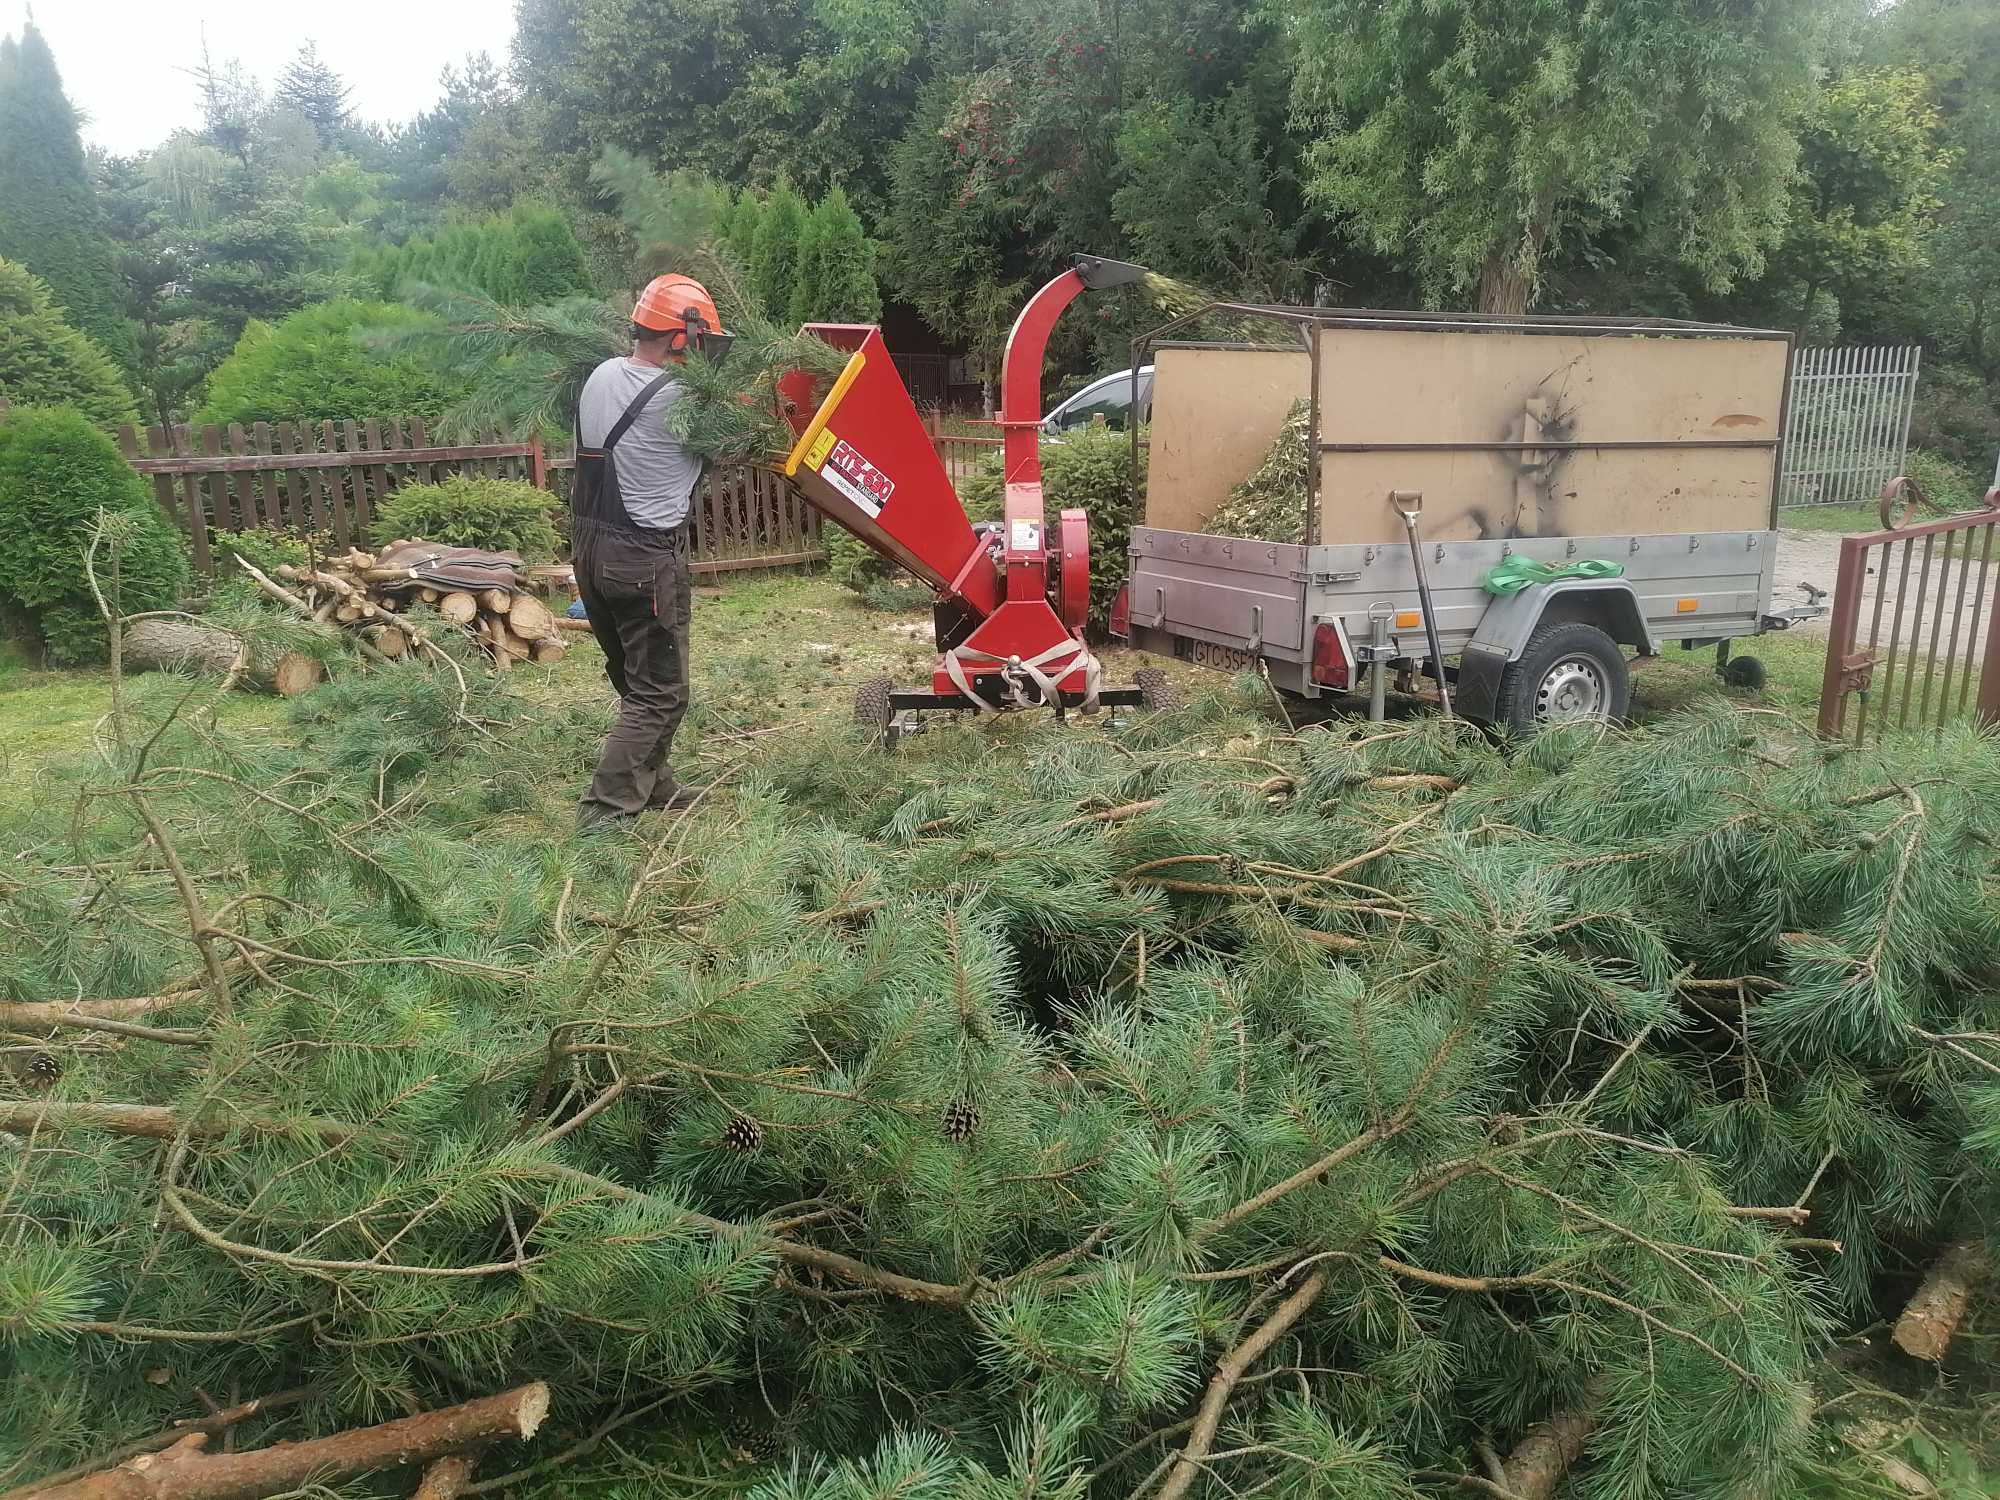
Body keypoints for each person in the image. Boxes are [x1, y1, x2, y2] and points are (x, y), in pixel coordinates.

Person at [570, 273, 731, 828]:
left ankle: (653, 783)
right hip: (642, 557)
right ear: (682, 338)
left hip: (590, 547)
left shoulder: (599, 375)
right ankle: (606, 811)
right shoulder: (684, 401)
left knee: (633, 678)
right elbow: (734, 440)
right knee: (661, 691)